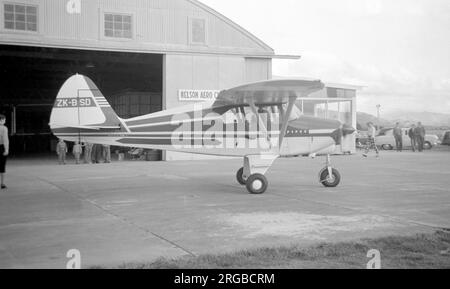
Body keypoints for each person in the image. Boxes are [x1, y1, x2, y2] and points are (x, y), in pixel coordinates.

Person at [0, 114, 9, 189]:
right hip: (1, 147)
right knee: (2, 166)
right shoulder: (4, 128)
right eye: (4, 120)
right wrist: (6, 149)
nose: (5, 121)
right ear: (1, 120)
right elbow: (5, 139)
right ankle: (2, 183)